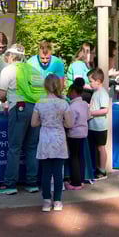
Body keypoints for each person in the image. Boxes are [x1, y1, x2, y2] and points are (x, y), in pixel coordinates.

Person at [0, 44, 41, 194]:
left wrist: (6, 100)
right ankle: (32, 183)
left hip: (18, 108)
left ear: (10, 55)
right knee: (32, 147)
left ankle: (10, 185)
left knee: (14, 148)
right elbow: (40, 92)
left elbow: (2, 95)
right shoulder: (33, 70)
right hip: (35, 109)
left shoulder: (8, 70)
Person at [32, 74, 73, 212]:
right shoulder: (64, 103)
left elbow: (33, 123)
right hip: (59, 139)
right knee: (57, 173)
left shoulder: (39, 102)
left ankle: (46, 201)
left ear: (45, 86)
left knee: (45, 172)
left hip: (45, 139)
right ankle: (57, 201)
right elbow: (69, 124)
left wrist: (43, 122)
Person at [65, 78, 89, 190]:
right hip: (83, 133)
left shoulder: (72, 107)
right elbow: (88, 116)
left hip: (73, 134)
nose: (68, 94)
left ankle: (75, 182)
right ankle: (81, 179)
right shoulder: (84, 104)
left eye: (69, 92)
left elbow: (70, 123)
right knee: (80, 156)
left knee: (73, 157)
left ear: (74, 93)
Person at [87, 68, 110, 180]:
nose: (89, 83)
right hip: (93, 126)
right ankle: (97, 168)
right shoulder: (95, 92)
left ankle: (102, 170)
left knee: (101, 148)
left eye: (91, 81)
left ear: (98, 81)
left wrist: (90, 112)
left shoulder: (102, 93)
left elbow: (105, 110)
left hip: (100, 127)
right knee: (95, 148)